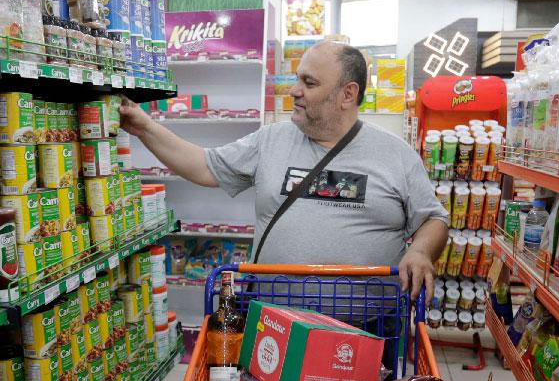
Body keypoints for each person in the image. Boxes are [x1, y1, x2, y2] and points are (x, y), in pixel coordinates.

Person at [119, 40, 449, 299]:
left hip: (366, 328)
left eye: (309, 82)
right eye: (296, 79)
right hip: (275, 326)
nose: (294, 90)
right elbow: (204, 166)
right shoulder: (271, 141)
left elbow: (434, 219)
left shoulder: (396, 154)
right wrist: (145, 127)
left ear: (348, 95)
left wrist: (420, 251)